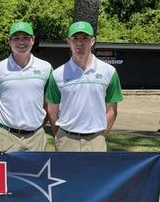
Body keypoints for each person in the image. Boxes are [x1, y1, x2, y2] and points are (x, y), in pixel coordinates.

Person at [46, 21, 123, 151]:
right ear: (68, 42)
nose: (80, 43)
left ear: (92, 41)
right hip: (66, 140)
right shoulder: (57, 74)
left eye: (85, 38)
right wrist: (61, 136)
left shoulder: (109, 72)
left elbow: (112, 111)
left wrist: (100, 136)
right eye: (75, 38)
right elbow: (52, 113)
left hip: (96, 140)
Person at [0, 22, 52, 151]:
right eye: (16, 38)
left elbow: (48, 103)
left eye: (25, 38)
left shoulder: (46, 67)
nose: (21, 42)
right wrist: (4, 127)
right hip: (5, 136)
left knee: (36, 171)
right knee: (7, 172)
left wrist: (37, 124)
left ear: (33, 40)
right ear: (9, 42)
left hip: (36, 137)